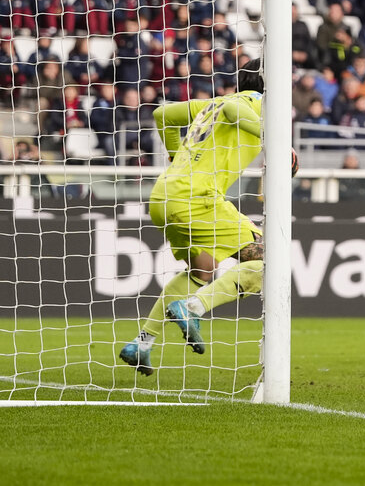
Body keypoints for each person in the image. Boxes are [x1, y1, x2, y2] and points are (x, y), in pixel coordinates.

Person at [120, 59, 284, 375]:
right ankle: (194, 307)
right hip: (199, 199)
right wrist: (275, 139)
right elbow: (238, 112)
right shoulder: (254, 103)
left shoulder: (216, 102)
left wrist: (171, 154)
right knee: (270, 261)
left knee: (201, 270)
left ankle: (142, 343)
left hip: (164, 195)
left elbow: (162, 115)